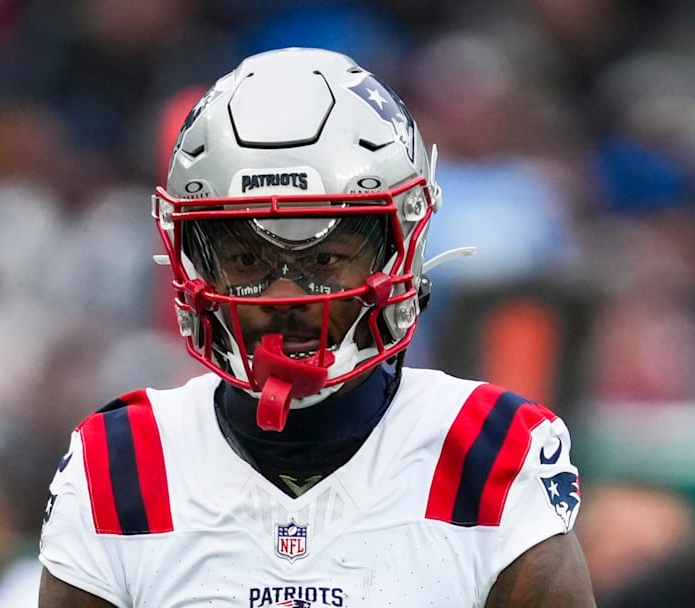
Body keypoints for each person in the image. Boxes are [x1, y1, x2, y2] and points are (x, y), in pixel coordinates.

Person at [38, 47, 594, 607]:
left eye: (325, 260)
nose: (285, 298)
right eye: (247, 261)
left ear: (398, 252)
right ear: (196, 263)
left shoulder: (490, 454)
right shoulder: (121, 463)